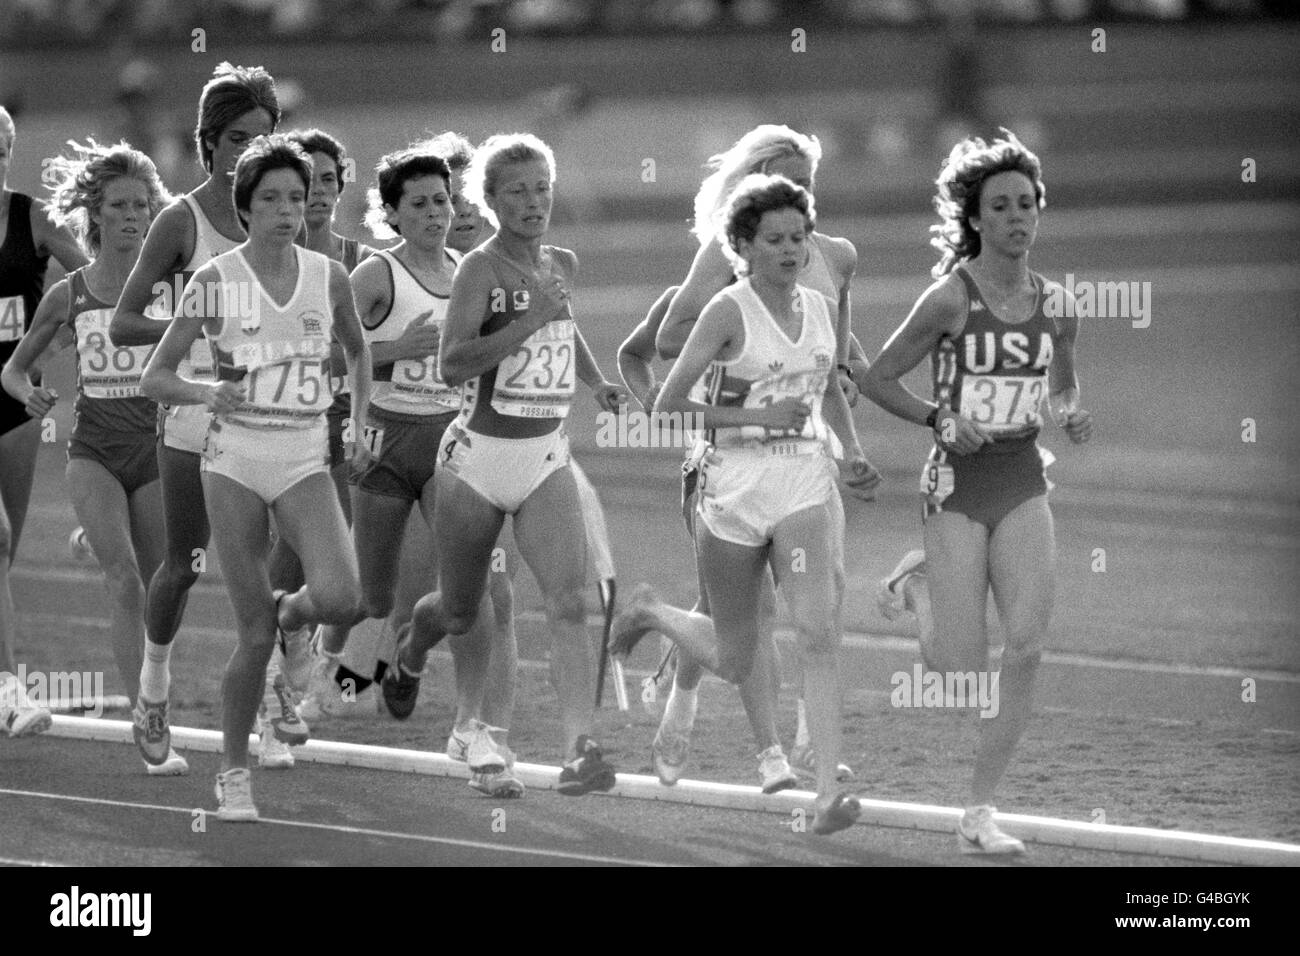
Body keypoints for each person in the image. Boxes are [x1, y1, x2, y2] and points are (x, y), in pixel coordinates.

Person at [610, 174, 877, 834]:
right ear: (745, 245)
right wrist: (757, 416)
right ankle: (649, 611)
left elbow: (828, 389)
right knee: (734, 653)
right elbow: (668, 405)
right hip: (731, 487)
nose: (791, 251)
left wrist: (852, 449)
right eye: (775, 240)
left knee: (817, 628)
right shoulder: (727, 311)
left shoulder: (817, 309)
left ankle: (823, 792)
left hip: (802, 485)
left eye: (798, 237)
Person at [860, 130, 1092, 854]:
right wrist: (938, 418)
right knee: (962, 676)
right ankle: (922, 584)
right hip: (957, 484)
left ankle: (978, 812)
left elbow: (1061, 382)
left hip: (1022, 478)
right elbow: (876, 377)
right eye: (1002, 206)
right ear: (977, 218)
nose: (1018, 217)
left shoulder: (1060, 303)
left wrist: (1070, 410)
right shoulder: (948, 299)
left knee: (1025, 647)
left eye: (1028, 204)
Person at [384, 133, 627, 795]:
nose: (533, 202)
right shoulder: (480, 271)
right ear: (488, 202)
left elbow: (562, 326)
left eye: (541, 188)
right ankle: (410, 648)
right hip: (476, 463)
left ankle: (579, 750)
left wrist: (595, 381)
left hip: (545, 455)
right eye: (516, 191)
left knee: (572, 603)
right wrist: (529, 320)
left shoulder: (562, 263)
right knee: (463, 612)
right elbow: (454, 361)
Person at [141, 134, 371, 822]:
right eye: (270, 198)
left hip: (303, 455)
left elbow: (358, 354)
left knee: (342, 597)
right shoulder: (216, 282)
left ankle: (294, 619)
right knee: (252, 636)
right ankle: (233, 773)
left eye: (296, 198)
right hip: (234, 461)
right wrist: (209, 391)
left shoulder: (326, 277)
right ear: (244, 208)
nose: (286, 210)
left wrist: (359, 423)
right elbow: (157, 375)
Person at [107, 64, 303, 771]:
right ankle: (154, 688)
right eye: (240, 138)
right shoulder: (180, 221)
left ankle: (274, 707)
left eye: (266, 137)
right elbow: (124, 320)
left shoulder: (286, 212)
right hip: (193, 417)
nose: (254, 150)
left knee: (279, 565)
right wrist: (191, 323)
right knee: (185, 566)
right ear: (210, 143)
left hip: (277, 420)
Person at [2, 140, 181, 771]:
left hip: (158, 453)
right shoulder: (70, 295)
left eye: (143, 205)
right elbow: (13, 369)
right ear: (95, 214)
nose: (133, 216)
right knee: (127, 583)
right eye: (120, 205)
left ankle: (96, 536)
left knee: (165, 586)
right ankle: (147, 720)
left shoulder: (178, 288)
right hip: (95, 453)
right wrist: (31, 394)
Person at [0, 105, 89, 737]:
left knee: (3, 553)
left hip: (14, 399)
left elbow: (98, 287)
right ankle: (10, 686)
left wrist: (48, 350)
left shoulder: (30, 216)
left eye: (2, 143)